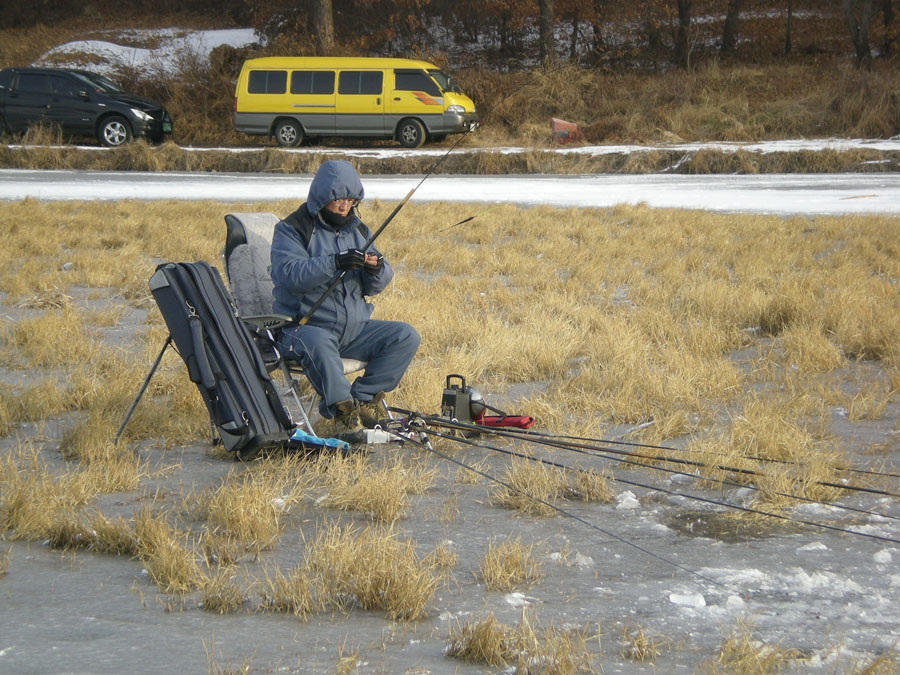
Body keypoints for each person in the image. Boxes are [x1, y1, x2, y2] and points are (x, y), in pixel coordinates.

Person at [271, 160, 420, 443]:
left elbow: (376, 285)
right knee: (320, 343)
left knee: (405, 336)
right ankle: (344, 413)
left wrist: (376, 269)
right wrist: (334, 262)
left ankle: (364, 400)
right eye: (338, 199)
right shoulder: (292, 229)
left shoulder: (358, 229)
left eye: (350, 200)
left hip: (353, 331)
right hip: (302, 329)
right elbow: (288, 275)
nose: (344, 206)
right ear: (321, 196)